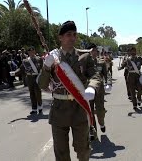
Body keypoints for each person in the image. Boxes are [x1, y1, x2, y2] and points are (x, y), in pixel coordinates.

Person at [38, 21, 101, 161]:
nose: (72, 38)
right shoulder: (52, 57)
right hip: (59, 109)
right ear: (60, 37)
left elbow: (95, 75)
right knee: (61, 153)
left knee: (83, 150)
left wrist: (92, 87)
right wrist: (47, 67)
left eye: (74, 34)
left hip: (79, 108)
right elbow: (42, 84)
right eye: (68, 35)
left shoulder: (84, 56)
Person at [13, 46, 43, 114]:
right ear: (28, 52)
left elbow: (43, 69)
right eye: (30, 51)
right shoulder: (25, 61)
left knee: (37, 93)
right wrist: (15, 73)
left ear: (34, 51)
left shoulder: (39, 59)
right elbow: (21, 69)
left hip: (37, 77)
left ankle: (40, 107)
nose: (31, 52)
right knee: (32, 93)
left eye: (33, 51)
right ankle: (34, 109)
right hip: (29, 78)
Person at [87, 43, 107, 141]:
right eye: (91, 51)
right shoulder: (83, 63)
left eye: (94, 50)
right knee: (89, 110)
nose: (93, 52)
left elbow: (107, 74)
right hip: (88, 89)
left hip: (100, 89)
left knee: (100, 110)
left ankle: (101, 123)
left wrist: (109, 83)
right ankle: (92, 130)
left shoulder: (101, 62)